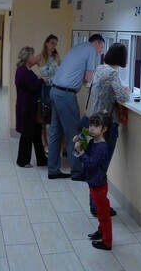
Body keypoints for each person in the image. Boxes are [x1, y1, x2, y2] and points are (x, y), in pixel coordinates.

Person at [82, 43, 130, 216]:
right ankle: (98, 206)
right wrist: (127, 90)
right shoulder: (112, 73)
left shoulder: (100, 68)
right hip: (107, 126)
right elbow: (122, 96)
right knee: (102, 167)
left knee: (96, 165)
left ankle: (94, 204)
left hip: (95, 122)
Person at [47, 34, 105, 180]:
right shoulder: (91, 50)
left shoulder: (78, 47)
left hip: (54, 91)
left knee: (55, 132)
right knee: (74, 133)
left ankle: (53, 170)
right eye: (102, 47)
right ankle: (77, 172)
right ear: (97, 43)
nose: (101, 51)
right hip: (66, 95)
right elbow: (89, 78)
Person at [74, 111, 113, 250]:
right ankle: (101, 231)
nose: (91, 128)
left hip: (99, 186)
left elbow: (90, 163)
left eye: (96, 126)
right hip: (94, 183)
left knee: (103, 214)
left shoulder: (101, 147)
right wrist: (79, 142)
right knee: (100, 211)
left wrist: (80, 152)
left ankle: (107, 242)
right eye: (90, 125)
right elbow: (87, 152)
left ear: (104, 129)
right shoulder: (94, 142)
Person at [15, 46, 48, 168]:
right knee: (27, 134)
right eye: (32, 55)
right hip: (26, 107)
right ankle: (23, 161)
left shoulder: (27, 70)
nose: (34, 57)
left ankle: (41, 160)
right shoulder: (22, 70)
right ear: (27, 57)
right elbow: (32, 86)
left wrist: (39, 77)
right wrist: (42, 80)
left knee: (36, 133)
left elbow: (33, 79)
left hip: (32, 107)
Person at [37, 34, 61, 154]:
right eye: (52, 43)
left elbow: (62, 70)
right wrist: (39, 77)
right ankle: (44, 142)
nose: (54, 46)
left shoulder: (56, 57)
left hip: (56, 88)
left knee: (55, 116)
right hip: (45, 89)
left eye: (55, 44)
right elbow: (26, 68)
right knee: (44, 116)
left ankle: (56, 143)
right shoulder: (40, 57)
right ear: (46, 43)